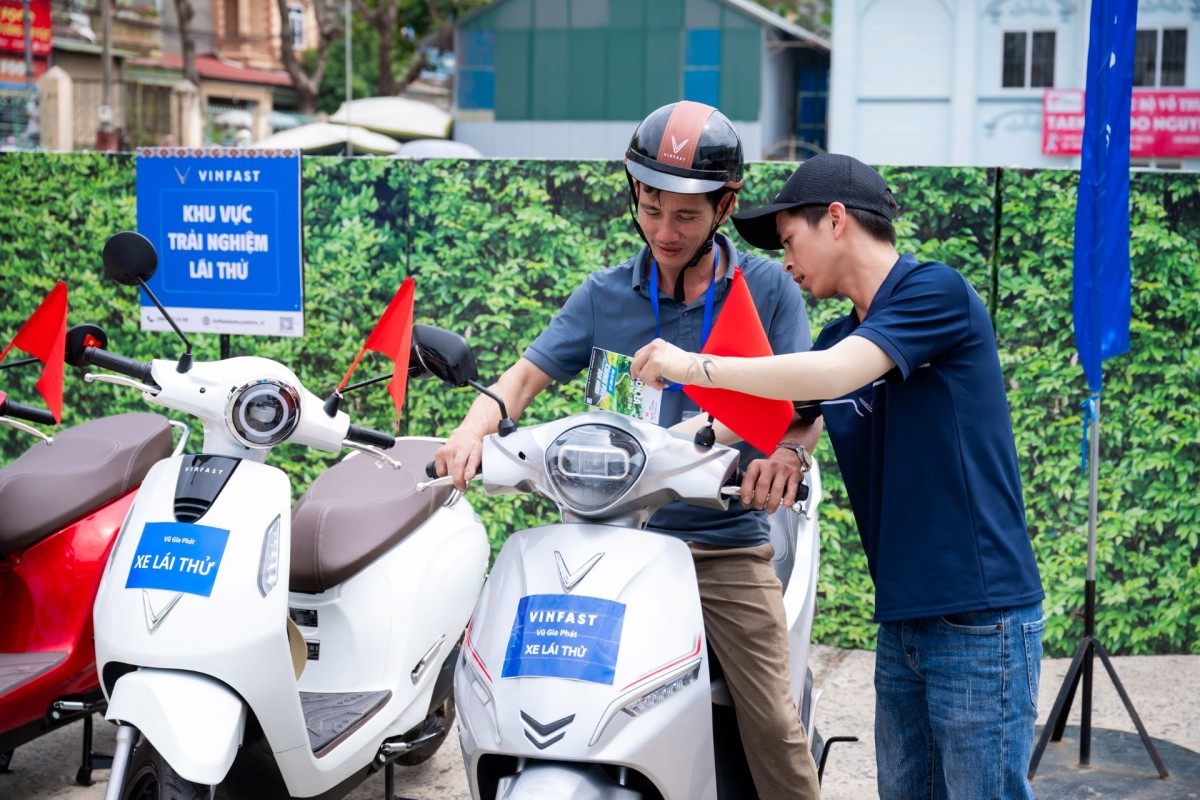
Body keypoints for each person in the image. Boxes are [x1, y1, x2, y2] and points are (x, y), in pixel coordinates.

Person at [434, 100, 822, 799]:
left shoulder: (766, 291)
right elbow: (521, 380)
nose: (664, 231)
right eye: (650, 209)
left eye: (686, 216)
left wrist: (785, 455)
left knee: (772, 722)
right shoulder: (605, 294)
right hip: (608, 538)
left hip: (718, 544)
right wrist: (470, 430)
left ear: (725, 207)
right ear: (633, 195)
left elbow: (801, 406)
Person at [631, 153, 1046, 800]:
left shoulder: (934, 292)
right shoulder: (837, 336)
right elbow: (737, 421)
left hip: (979, 614)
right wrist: (630, 454)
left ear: (835, 219)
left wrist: (689, 365)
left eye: (789, 240)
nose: (785, 264)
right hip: (903, 618)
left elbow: (832, 375)